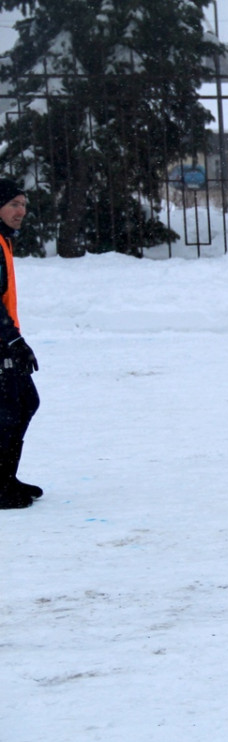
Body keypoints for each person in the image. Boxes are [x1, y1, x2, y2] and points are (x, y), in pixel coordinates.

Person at [0, 179, 41, 509]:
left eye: (23, 204)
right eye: (14, 203)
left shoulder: (3, 241)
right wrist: (13, 340)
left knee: (24, 402)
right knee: (11, 410)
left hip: (5, 338)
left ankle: (5, 478)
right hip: (2, 340)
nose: (21, 211)